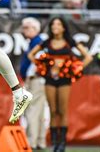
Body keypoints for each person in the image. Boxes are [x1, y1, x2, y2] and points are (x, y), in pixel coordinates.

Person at [28, 17, 92, 152]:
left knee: (62, 111)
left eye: (58, 24)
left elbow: (88, 57)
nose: (55, 27)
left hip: (65, 80)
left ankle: (62, 144)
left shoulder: (70, 42)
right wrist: (43, 68)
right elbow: (31, 55)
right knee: (53, 111)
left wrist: (74, 69)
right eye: (53, 24)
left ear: (63, 27)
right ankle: (54, 143)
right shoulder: (47, 42)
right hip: (50, 80)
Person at [20, 17, 47, 150]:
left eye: (27, 27)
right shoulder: (34, 42)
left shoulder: (37, 42)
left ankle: (31, 141)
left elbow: (39, 62)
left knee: (32, 111)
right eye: (24, 27)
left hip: (35, 79)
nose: (25, 30)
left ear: (35, 29)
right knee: (39, 112)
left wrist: (34, 74)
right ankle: (40, 141)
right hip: (36, 80)